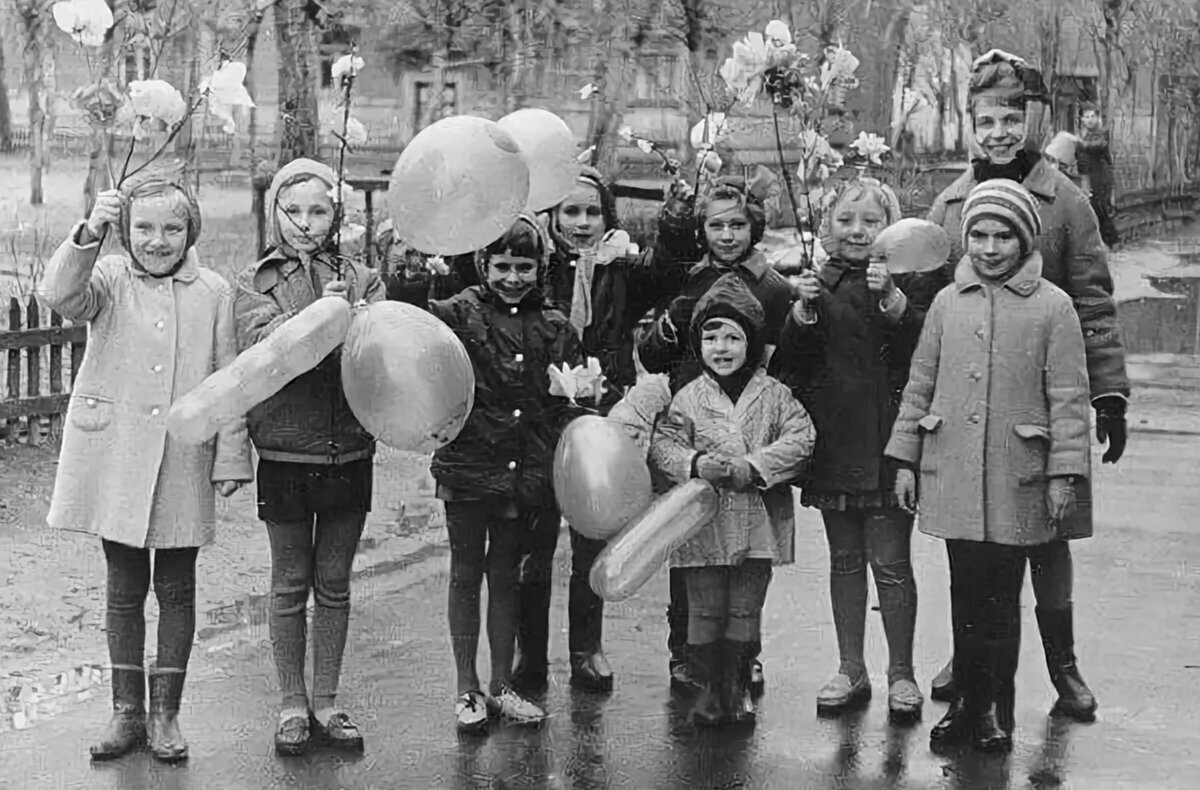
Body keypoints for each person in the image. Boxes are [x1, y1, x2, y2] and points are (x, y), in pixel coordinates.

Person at [925, 50, 1130, 721]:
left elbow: (1095, 301)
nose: (1000, 131)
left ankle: (1063, 667)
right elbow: (932, 307)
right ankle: (971, 657)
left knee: (1048, 540)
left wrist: (1108, 394)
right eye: (987, 118)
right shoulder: (951, 204)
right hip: (970, 409)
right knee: (977, 543)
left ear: (1034, 119)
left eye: (1013, 117)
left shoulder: (1067, 203)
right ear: (971, 124)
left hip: (1045, 406)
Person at [40, 171, 253, 763]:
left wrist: (231, 455)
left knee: (177, 588)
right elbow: (60, 294)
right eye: (143, 228)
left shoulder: (214, 290)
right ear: (125, 232)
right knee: (123, 588)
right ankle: (126, 709)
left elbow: (228, 380)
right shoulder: (106, 277)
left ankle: (165, 713)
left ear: (191, 232)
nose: (158, 241)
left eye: (172, 228)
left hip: (185, 456)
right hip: (118, 457)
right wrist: (88, 232)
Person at [887, 179, 1092, 752]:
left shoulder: (1054, 307)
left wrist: (1062, 475)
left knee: (1002, 601)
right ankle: (965, 708)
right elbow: (920, 383)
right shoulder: (949, 304)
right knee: (964, 596)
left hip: (1017, 477)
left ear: (1024, 240)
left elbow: (1070, 401)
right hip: (952, 473)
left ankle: (995, 711)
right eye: (978, 234)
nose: (990, 246)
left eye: (1004, 235)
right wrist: (905, 458)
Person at [508, 167, 681, 698]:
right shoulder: (532, 262)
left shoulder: (623, 265)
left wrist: (676, 215)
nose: (581, 223)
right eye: (570, 212)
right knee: (533, 539)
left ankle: (587, 647)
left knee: (592, 532)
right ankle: (528, 652)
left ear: (608, 217)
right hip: (542, 412)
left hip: (606, 408)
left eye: (592, 212)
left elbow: (670, 270)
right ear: (553, 216)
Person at [234, 158, 386, 756]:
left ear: (336, 215)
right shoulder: (255, 279)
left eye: (318, 211)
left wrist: (356, 311)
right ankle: (290, 703)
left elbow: (377, 351)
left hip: (349, 445)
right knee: (289, 583)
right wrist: (320, 315)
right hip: (285, 448)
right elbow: (261, 344)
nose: (304, 223)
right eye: (291, 210)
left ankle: (326, 700)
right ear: (274, 212)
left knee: (336, 583)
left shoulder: (362, 275)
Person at [772, 178, 927, 721]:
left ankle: (902, 673)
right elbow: (791, 363)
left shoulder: (906, 283)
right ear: (826, 227)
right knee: (843, 561)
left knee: (891, 563)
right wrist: (802, 314)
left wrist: (893, 301)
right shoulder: (819, 283)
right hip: (835, 445)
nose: (858, 231)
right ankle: (850, 666)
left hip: (886, 444)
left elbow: (919, 351)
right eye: (846, 220)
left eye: (871, 220)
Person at [426, 215, 587, 732]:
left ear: (541, 267)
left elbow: (570, 401)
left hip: (525, 472)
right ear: (482, 264)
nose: (513, 277)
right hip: (469, 467)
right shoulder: (457, 312)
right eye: (502, 266)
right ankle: (466, 687)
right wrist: (411, 273)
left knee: (507, 578)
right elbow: (411, 321)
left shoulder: (557, 327)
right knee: (466, 574)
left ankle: (501, 684)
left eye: (524, 267)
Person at [638, 176, 795, 696]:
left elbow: (788, 363)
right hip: (692, 426)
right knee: (692, 548)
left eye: (737, 225)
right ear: (701, 229)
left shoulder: (774, 287)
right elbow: (656, 356)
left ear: (754, 227)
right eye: (716, 225)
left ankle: (744, 656)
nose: (727, 235)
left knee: (746, 556)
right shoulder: (688, 279)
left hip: (750, 432)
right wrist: (670, 322)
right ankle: (686, 653)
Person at [650, 273, 815, 727]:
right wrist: (695, 462)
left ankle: (736, 684)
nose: (721, 348)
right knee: (703, 608)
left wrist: (756, 466)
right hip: (700, 524)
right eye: (711, 337)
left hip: (757, 521)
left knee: (744, 607)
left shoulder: (776, 396)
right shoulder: (686, 398)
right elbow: (663, 445)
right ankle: (707, 689)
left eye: (733, 337)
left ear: (753, 343)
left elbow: (801, 438)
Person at [1076, 104, 1120, 247]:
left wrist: (1081, 143)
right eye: (1086, 117)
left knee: (1099, 207)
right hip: (1087, 176)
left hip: (1101, 174)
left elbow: (1099, 146)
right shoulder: (1081, 136)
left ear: (1097, 118)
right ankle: (1104, 240)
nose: (1090, 120)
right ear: (1082, 119)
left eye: (1092, 116)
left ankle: (1111, 240)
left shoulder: (1102, 133)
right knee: (1092, 208)